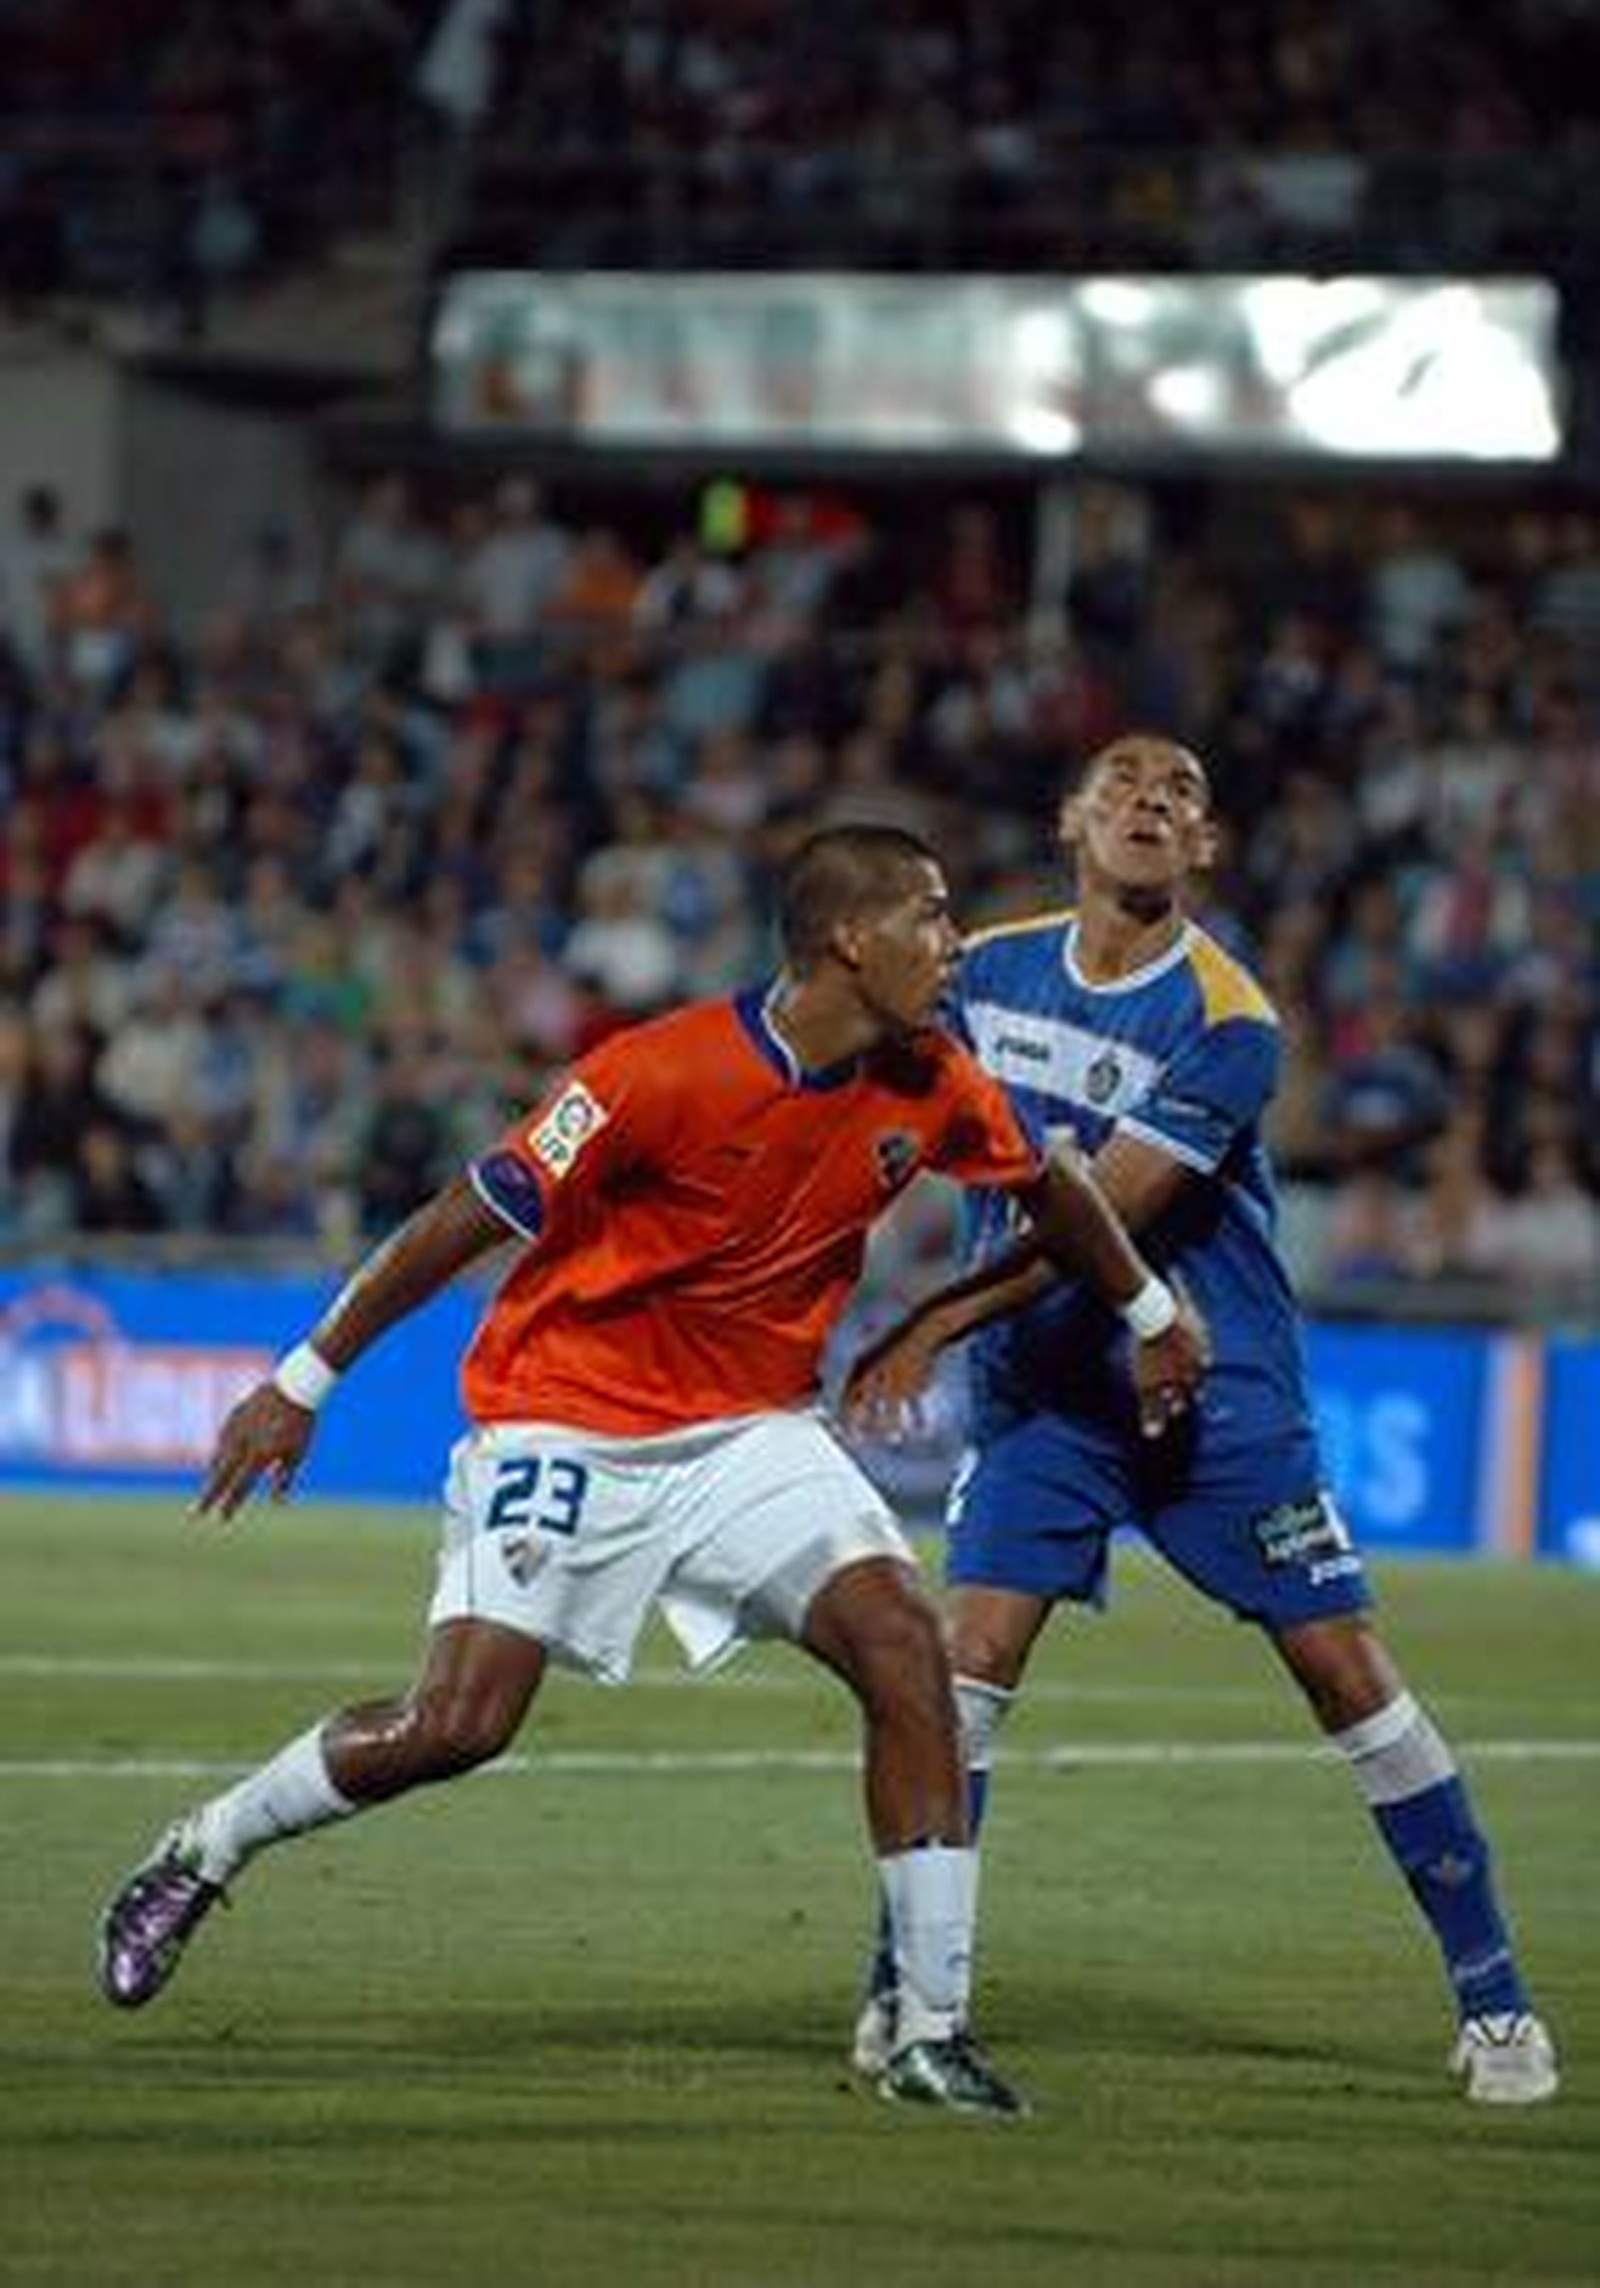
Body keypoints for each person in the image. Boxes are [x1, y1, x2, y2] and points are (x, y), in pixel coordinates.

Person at [95, 823, 1207, 2119]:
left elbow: (1058, 1188)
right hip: (566, 1416)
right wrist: (301, 1380)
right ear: (853, 939)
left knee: (910, 1648)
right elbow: (462, 1214)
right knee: (457, 1723)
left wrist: (1148, 1312)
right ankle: (207, 1844)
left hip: (751, 1433)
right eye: (931, 914)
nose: (953, 943)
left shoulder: (934, 1076)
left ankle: (928, 2026)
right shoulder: (654, 1072)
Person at [844, 738, 1558, 2107]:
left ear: (1206, 848)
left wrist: (932, 1317)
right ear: (1071, 820)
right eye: (1122, 782)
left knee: (1344, 1668)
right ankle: (910, 1987)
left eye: (1180, 793)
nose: (1151, 802)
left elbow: (1102, 1211)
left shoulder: (1231, 1017)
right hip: (1047, 1393)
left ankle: (1496, 2001)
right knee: (963, 1668)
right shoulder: (982, 970)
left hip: (1213, 1390)